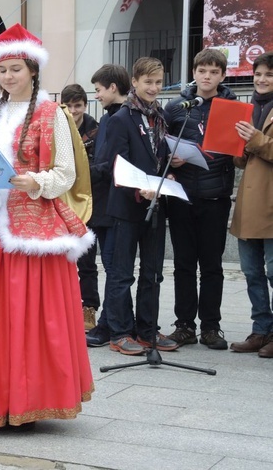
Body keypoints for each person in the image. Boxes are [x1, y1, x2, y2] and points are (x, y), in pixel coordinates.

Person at [0, 23, 95, 428]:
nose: (8, 77)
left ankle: (34, 400)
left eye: (17, 69)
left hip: (35, 230)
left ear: (33, 71)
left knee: (34, 317)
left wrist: (36, 182)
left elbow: (66, 173)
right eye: (3, 70)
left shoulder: (52, 113)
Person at [100, 57, 179, 355]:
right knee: (122, 272)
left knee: (152, 273)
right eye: (148, 82)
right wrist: (139, 188)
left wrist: (169, 172)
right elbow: (113, 164)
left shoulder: (160, 116)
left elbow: (159, 156)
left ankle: (147, 329)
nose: (154, 88)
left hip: (156, 206)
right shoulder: (122, 118)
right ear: (134, 82)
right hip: (127, 206)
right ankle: (120, 331)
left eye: (158, 82)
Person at [164, 49, 237, 350]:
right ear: (193, 72)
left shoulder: (232, 107)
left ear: (222, 75)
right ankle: (184, 326)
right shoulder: (176, 107)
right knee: (183, 264)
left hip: (215, 196)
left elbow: (237, 151)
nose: (206, 76)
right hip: (182, 195)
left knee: (211, 266)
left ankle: (211, 327)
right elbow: (160, 147)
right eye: (202, 70)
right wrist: (170, 160)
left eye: (213, 71)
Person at [229, 51, 273, 358]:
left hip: (271, 203)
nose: (261, 79)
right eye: (258, 73)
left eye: (268, 74)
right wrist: (235, 143)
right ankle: (261, 330)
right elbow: (242, 160)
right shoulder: (248, 109)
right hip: (249, 202)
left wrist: (256, 139)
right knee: (252, 271)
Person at [84, 64, 131, 348]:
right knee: (114, 267)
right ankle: (114, 322)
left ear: (113, 87)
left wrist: (80, 171)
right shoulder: (111, 117)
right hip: (106, 204)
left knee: (114, 268)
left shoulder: (118, 119)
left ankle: (111, 326)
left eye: (99, 90)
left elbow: (111, 163)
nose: (97, 95)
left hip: (113, 204)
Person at [60, 84, 99, 330]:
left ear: (85, 105)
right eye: (69, 106)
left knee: (86, 261)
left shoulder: (95, 130)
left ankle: (89, 308)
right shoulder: (57, 127)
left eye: (78, 106)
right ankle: (63, 307)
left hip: (86, 200)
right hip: (60, 200)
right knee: (60, 260)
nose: (74, 111)